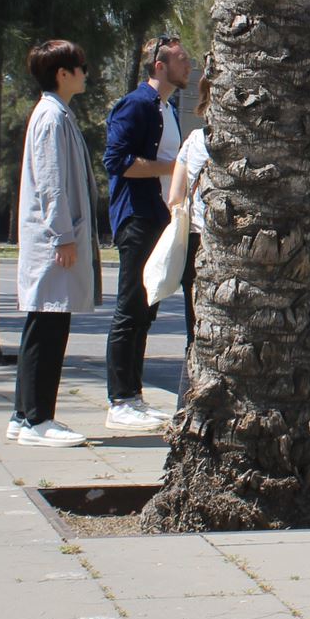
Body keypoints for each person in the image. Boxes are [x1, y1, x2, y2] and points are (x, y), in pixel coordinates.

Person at [10, 39, 101, 448]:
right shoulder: (50, 117)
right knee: (48, 326)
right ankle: (37, 419)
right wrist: (63, 235)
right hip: (54, 243)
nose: (85, 72)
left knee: (43, 324)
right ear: (62, 74)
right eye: (80, 66)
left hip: (55, 240)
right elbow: (51, 184)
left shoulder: (56, 114)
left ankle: (22, 414)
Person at [101, 34, 190, 431]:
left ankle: (132, 398)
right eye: (180, 59)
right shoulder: (136, 105)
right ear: (159, 65)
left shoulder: (166, 108)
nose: (187, 65)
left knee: (145, 310)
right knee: (130, 309)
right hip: (136, 219)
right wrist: (171, 167)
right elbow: (116, 161)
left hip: (157, 218)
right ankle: (120, 400)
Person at [167, 71, 211, 403]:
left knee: (194, 334)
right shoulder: (232, 142)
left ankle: (185, 405)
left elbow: (174, 197)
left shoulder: (194, 140)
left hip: (193, 243)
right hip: (224, 247)